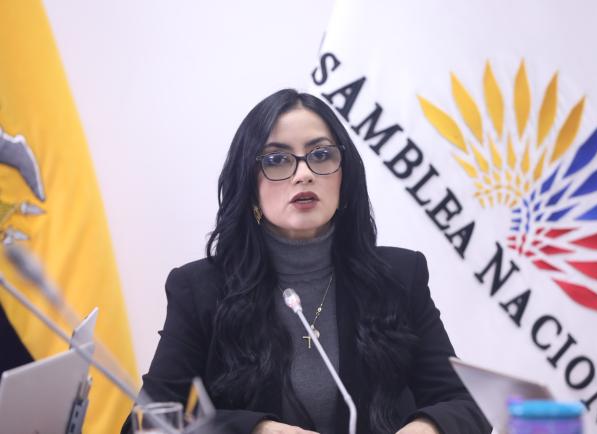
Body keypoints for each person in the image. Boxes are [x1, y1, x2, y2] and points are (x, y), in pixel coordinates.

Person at [123, 89, 491, 434]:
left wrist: (426, 428)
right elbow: (146, 423)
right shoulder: (200, 289)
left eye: (321, 155)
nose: (304, 174)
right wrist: (256, 430)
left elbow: (466, 404)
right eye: (277, 159)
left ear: (345, 175)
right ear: (249, 183)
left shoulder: (399, 275)